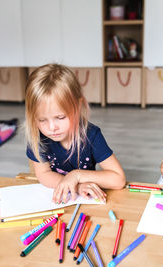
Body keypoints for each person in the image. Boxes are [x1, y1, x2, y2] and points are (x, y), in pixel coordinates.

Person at [24, 64, 126, 204]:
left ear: (78, 107)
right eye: (42, 120)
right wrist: (77, 186)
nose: (52, 128)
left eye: (60, 117)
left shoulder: (91, 135)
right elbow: (43, 174)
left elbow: (118, 180)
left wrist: (76, 176)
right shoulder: (38, 137)